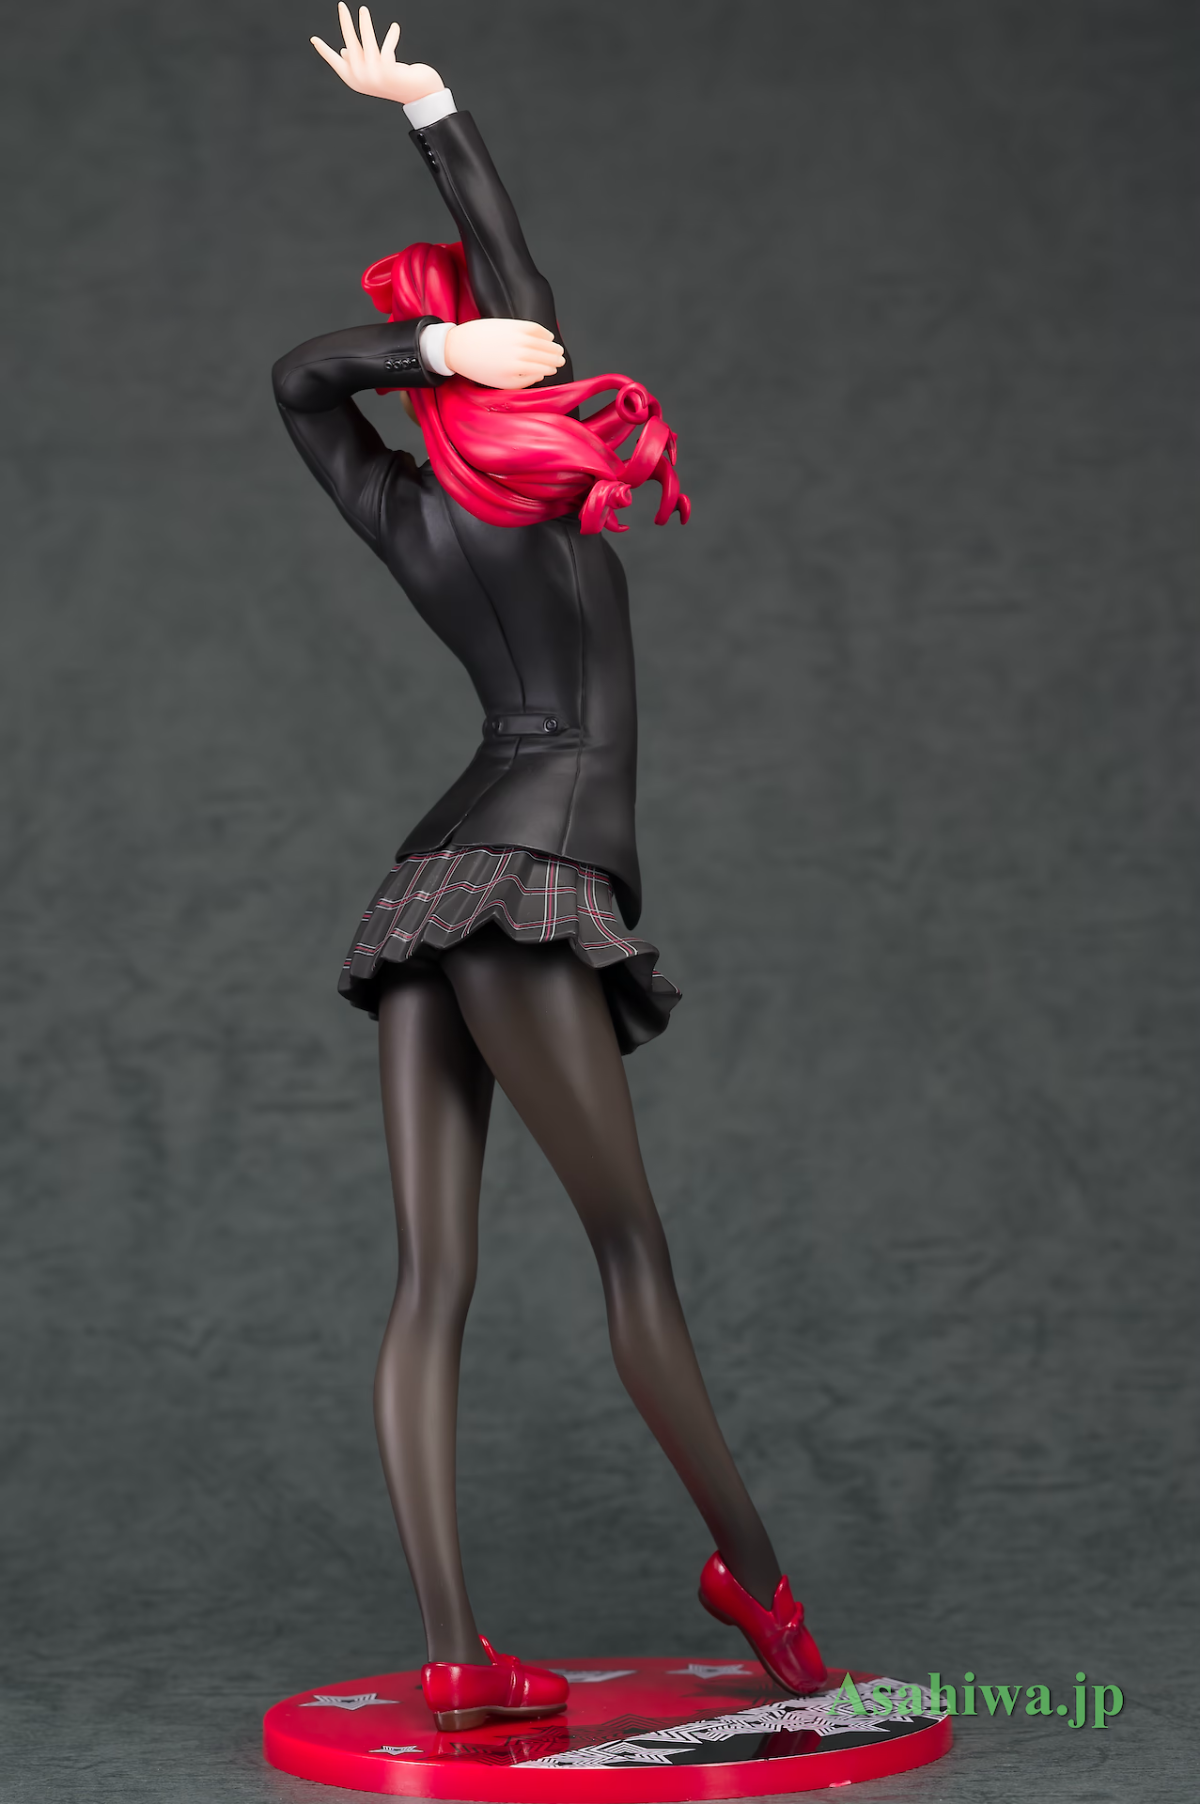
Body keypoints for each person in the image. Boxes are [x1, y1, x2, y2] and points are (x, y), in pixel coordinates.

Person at [273, 4, 827, 1733]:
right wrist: (448, 292)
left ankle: (458, 1655)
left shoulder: (424, 511)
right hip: (527, 882)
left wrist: (430, 146)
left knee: (432, 1281)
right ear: (501, 357)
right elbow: (465, 316)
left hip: (427, 885)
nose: (535, 347)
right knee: (629, 1254)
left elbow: (303, 383)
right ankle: (761, 1586)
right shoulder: (538, 477)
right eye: (509, 339)